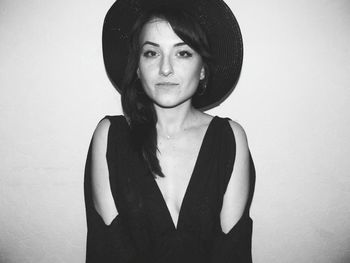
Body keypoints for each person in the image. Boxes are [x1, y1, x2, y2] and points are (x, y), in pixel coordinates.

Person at [84, 0, 254, 262]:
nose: (165, 68)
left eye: (182, 53)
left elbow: (231, 252)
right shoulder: (110, 137)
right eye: (151, 53)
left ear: (203, 70)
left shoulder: (230, 138)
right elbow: (110, 250)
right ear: (138, 68)